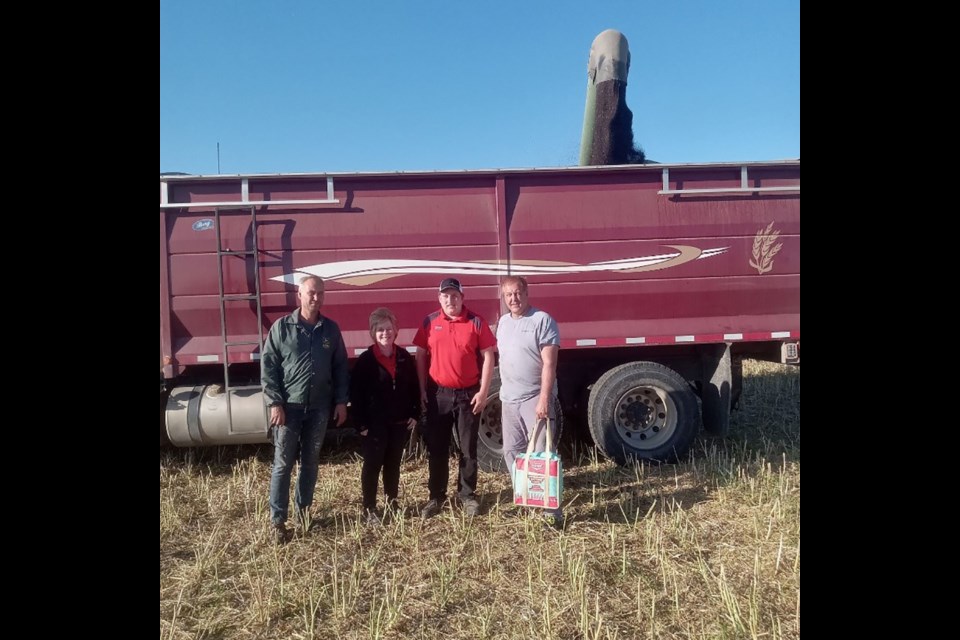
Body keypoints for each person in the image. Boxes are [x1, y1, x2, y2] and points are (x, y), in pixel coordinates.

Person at [261, 275, 349, 542]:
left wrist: (341, 401)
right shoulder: (282, 328)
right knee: (282, 464)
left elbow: (341, 367)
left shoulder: (330, 330)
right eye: (311, 293)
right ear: (299, 295)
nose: (316, 298)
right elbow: (269, 367)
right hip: (289, 408)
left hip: (320, 408)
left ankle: (303, 512)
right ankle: (278, 520)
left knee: (310, 463)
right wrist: (275, 402)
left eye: (320, 293)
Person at [413, 277, 497, 518]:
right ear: (439, 298)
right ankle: (436, 496)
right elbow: (420, 355)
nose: (450, 300)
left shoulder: (476, 322)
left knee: (468, 448)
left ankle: (467, 495)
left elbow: (488, 356)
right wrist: (421, 390)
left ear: (462, 298)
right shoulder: (429, 322)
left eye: (454, 295)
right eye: (445, 296)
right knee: (437, 449)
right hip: (438, 395)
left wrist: (483, 392)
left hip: (467, 395)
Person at [496, 275, 564, 528]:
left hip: (534, 398)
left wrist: (544, 399)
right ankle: (526, 499)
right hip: (509, 400)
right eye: (508, 295)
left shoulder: (542, 320)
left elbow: (550, 363)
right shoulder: (502, 323)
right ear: (503, 298)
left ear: (526, 293)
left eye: (517, 293)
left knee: (542, 455)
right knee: (511, 452)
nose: (513, 299)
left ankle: (551, 512)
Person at [349, 307, 420, 525]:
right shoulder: (366, 361)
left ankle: (392, 502)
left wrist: (415, 413)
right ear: (373, 332)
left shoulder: (404, 357)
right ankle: (369, 508)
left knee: (393, 465)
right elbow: (356, 395)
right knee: (372, 466)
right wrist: (360, 424)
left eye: (389, 329)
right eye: (380, 330)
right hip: (374, 426)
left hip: (398, 423)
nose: (385, 333)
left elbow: (414, 387)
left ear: (395, 331)